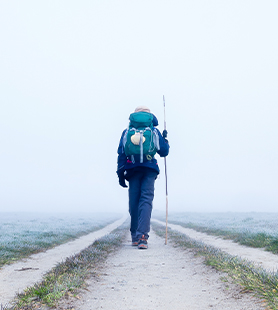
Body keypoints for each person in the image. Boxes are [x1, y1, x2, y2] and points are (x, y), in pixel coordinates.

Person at [116, 106, 169, 249]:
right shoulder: (153, 131)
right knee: (146, 200)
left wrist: (120, 175)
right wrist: (165, 139)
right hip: (149, 170)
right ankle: (142, 237)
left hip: (132, 170)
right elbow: (164, 152)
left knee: (134, 202)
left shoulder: (127, 132)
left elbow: (121, 154)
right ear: (150, 117)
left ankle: (134, 236)